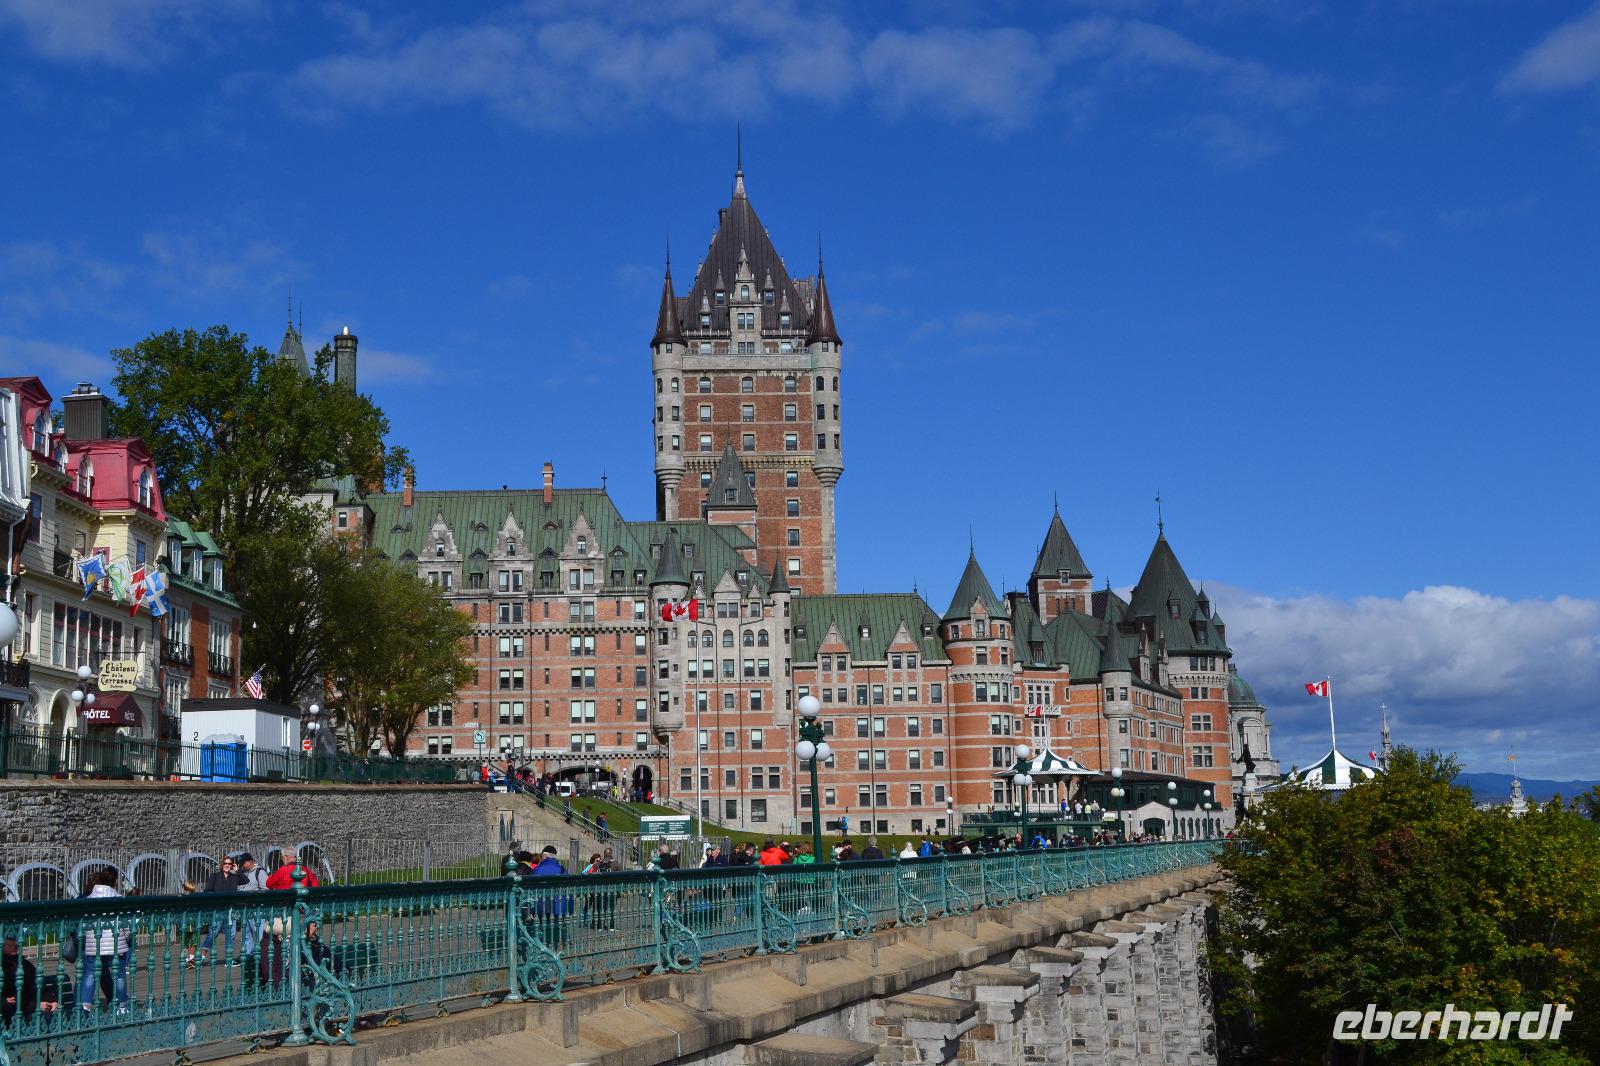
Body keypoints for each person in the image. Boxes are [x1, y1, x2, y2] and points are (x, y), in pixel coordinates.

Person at [78, 869, 130, 1012]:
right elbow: (125, 923)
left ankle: (85, 1007)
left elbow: (83, 923)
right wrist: (127, 936)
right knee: (118, 975)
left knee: (90, 973)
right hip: (115, 942)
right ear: (115, 882)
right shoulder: (119, 899)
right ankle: (121, 1007)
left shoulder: (89, 899)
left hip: (94, 942)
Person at [189, 855, 242, 967]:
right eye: (225, 863)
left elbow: (244, 880)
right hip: (218, 910)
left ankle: (228, 959)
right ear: (222, 865)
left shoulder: (234, 877)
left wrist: (238, 871)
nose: (227, 865)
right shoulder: (215, 876)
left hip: (230, 910)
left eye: (229, 864)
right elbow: (207, 890)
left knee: (231, 935)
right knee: (213, 933)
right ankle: (202, 957)